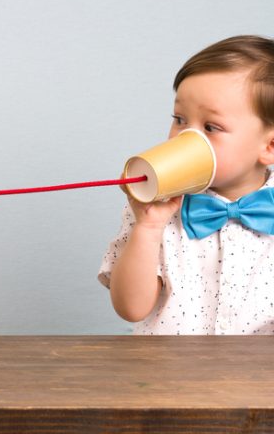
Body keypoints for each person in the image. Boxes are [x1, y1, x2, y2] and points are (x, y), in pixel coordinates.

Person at [99, 35, 274, 334]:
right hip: (167, 364)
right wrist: (147, 228)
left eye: (211, 127)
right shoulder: (153, 209)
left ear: (269, 147)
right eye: (180, 119)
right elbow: (130, 309)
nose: (185, 137)